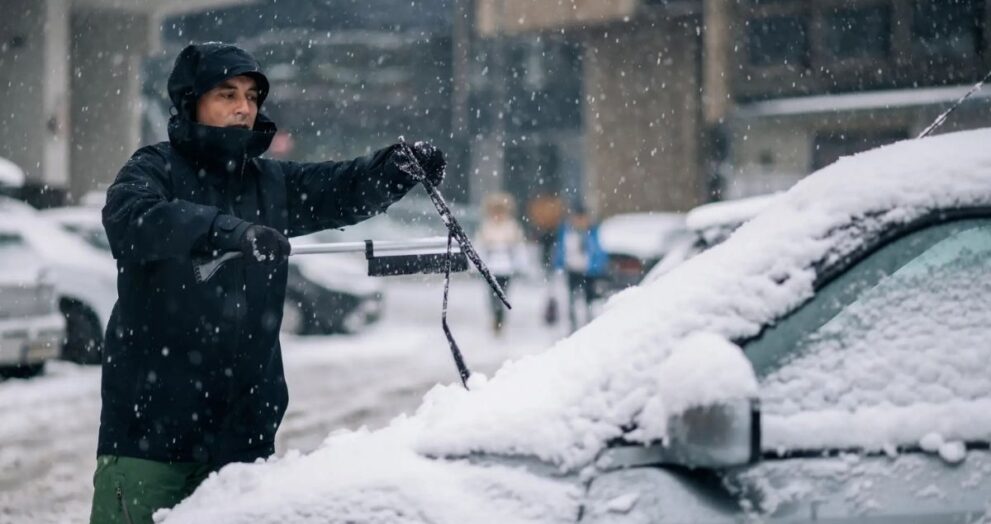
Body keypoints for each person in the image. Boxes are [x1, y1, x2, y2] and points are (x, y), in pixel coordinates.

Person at [91, 43, 445, 523]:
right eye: (227, 94)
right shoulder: (153, 169)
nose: (244, 108)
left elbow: (339, 186)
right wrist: (227, 232)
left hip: (242, 443)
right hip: (149, 440)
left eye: (252, 97)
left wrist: (394, 169)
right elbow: (133, 219)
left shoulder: (268, 183)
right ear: (191, 101)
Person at [476, 192, 527, 335]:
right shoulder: (486, 227)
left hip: (506, 268)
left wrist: (520, 264)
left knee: (503, 294)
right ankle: (496, 316)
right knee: (492, 296)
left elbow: (519, 247)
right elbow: (479, 247)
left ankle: (500, 318)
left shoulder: (512, 227)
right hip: (491, 268)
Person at [553, 203, 607, 333]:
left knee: (589, 300)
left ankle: (589, 325)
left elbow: (598, 251)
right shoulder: (567, 231)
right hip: (572, 270)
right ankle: (573, 325)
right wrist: (558, 264)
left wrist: (597, 267)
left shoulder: (592, 232)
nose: (580, 221)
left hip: (589, 272)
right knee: (572, 299)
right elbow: (560, 249)